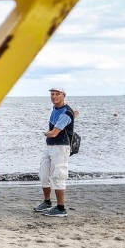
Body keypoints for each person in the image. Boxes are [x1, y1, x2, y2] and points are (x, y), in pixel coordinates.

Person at [34, 87, 76, 217]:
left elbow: (53, 133)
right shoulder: (56, 108)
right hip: (50, 146)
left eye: (57, 94)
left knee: (58, 175)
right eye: (52, 94)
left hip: (60, 147)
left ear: (63, 95)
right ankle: (47, 202)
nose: (54, 96)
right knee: (44, 174)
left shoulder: (66, 113)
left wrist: (45, 133)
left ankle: (61, 208)